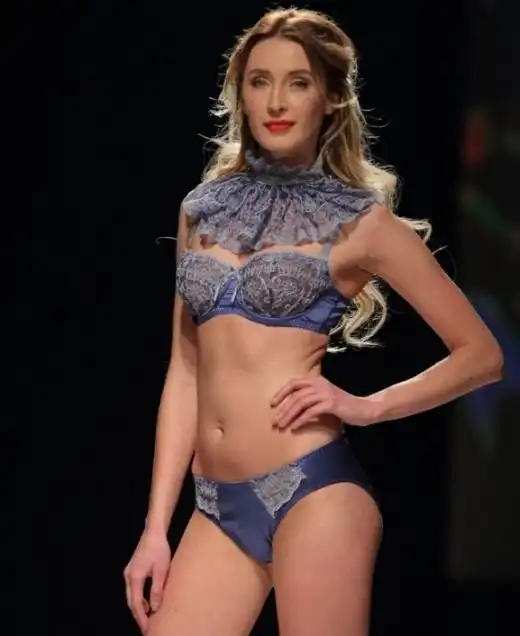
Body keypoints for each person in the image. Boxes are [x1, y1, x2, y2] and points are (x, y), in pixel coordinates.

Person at [123, 7, 503, 636]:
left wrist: (367, 406)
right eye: (260, 81)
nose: (276, 100)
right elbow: (185, 370)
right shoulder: (200, 210)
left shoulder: (361, 224)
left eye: (297, 82)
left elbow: (482, 355)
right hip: (214, 505)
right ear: (240, 95)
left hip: (313, 490)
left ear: (328, 98)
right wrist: (155, 529)